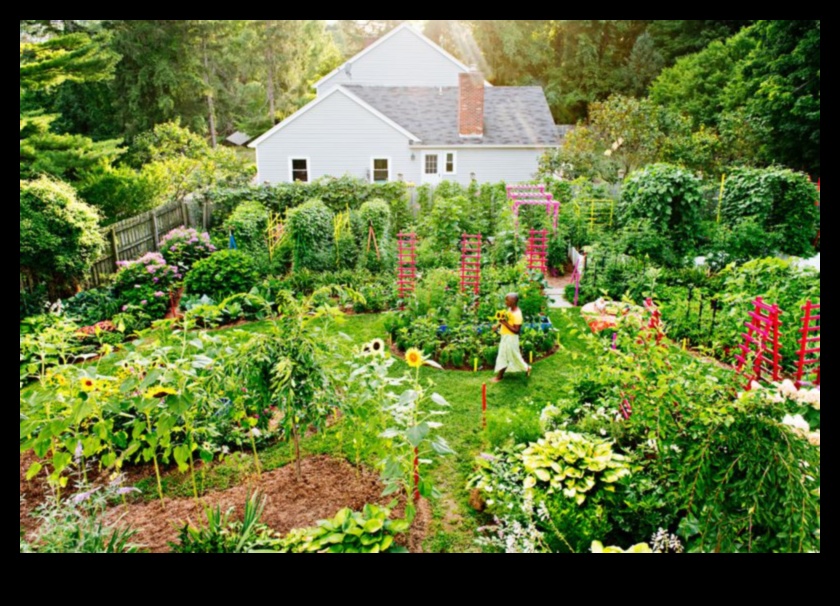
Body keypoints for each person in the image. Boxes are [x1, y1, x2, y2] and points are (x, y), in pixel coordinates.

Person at [493, 293, 532, 383]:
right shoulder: (510, 309)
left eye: (507, 300)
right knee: (513, 355)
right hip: (505, 336)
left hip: (511, 338)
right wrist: (498, 325)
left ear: (513, 301)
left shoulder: (517, 314)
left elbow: (516, 331)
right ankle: (527, 368)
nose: (505, 302)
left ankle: (499, 377)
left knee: (504, 355)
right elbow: (504, 319)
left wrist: (505, 323)